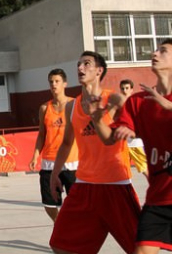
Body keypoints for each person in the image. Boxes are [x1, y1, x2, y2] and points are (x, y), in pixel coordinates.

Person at [49, 51, 141, 254]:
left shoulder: (115, 100)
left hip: (115, 184)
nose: (80, 68)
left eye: (86, 64)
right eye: (78, 64)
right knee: (60, 244)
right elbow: (66, 143)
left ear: (99, 71)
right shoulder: (71, 106)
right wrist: (55, 173)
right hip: (85, 185)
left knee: (140, 250)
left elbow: (134, 127)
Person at [91, 39, 172, 254]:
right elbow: (110, 139)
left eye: (163, 51)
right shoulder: (138, 102)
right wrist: (98, 119)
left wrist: (168, 106)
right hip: (159, 198)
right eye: (155, 50)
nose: (155, 53)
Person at [29, 68, 78, 222]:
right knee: (49, 205)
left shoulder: (75, 104)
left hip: (72, 164)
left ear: (65, 84)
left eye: (57, 81)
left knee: (77, 204)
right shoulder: (44, 108)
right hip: (49, 163)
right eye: (51, 82)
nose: (53, 84)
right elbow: (41, 134)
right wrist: (35, 156)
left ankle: (75, 231)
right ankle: (60, 225)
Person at [119, 79, 149, 179]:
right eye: (122, 88)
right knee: (122, 169)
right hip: (122, 143)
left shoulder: (135, 103)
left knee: (144, 169)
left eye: (127, 88)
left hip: (135, 142)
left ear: (132, 89)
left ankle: (157, 188)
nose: (124, 90)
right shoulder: (118, 104)